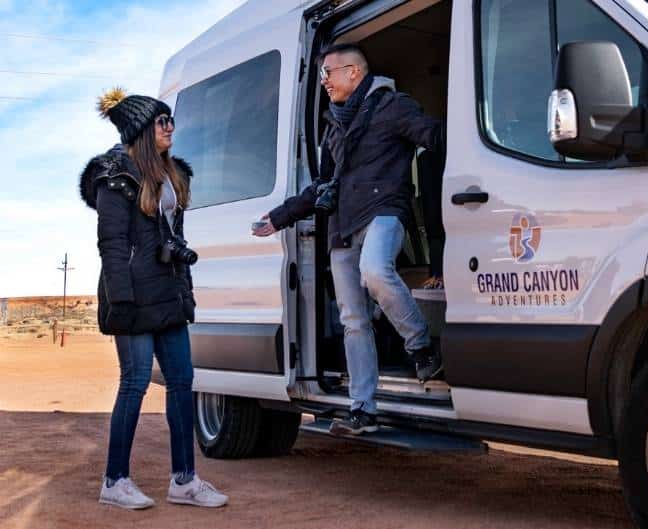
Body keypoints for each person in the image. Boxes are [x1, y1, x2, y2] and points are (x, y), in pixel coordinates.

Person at [253, 43, 444, 435]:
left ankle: (420, 344)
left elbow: (436, 137)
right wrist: (279, 216)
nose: (323, 81)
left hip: (385, 210)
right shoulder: (334, 126)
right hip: (342, 225)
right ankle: (363, 408)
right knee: (354, 320)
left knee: (376, 270)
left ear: (353, 73)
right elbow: (323, 185)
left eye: (328, 73)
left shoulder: (393, 106)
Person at [80, 87, 228, 510]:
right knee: (134, 384)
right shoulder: (114, 178)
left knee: (182, 383)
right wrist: (122, 302)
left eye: (170, 121)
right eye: (162, 122)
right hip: (131, 298)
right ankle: (115, 480)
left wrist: (184, 290)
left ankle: (184, 479)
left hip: (166, 295)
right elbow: (112, 243)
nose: (170, 128)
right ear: (142, 129)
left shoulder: (171, 177)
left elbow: (171, 239)